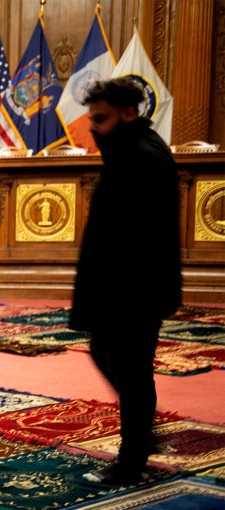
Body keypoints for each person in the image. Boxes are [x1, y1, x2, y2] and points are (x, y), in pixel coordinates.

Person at [72, 77, 181, 485]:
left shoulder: (140, 156)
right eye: (92, 119)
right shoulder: (131, 149)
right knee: (106, 353)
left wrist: (112, 294)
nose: (93, 128)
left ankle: (131, 462)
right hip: (126, 288)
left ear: (128, 114)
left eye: (101, 119)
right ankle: (143, 436)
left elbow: (137, 237)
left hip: (132, 290)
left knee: (132, 372)